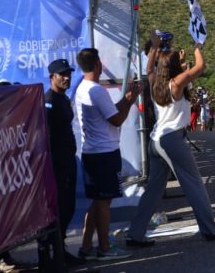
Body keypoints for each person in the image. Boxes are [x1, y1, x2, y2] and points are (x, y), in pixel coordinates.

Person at [126, 34, 215, 247]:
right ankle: (210, 230)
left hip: (155, 140)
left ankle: (135, 234)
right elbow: (200, 67)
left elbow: (148, 69)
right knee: (193, 184)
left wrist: (155, 48)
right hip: (172, 139)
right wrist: (198, 48)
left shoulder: (155, 80)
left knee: (154, 189)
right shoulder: (176, 83)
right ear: (175, 67)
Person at [75, 48, 142, 261]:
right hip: (104, 154)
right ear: (97, 65)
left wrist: (129, 96)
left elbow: (111, 111)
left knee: (97, 201)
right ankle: (104, 248)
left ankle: (86, 246)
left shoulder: (83, 88)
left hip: (93, 153)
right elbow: (116, 120)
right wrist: (131, 99)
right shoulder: (96, 90)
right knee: (104, 203)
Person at [38, 59, 84, 267]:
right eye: (61, 74)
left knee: (68, 207)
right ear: (51, 77)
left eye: (68, 74)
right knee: (59, 208)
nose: (66, 78)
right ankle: (51, 253)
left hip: (68, 160)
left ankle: (60, 249)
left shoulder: (64, 99)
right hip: (57, 163)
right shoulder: (49, 101)